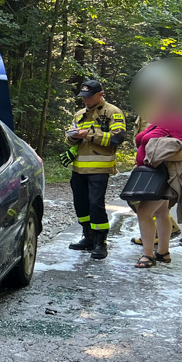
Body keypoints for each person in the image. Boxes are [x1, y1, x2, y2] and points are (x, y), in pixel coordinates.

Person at [64, 79, 126, 259]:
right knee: (80, 204)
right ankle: (87, 237)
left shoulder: (113, 112)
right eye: (84, 97)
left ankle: (101, 242)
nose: (86, 100)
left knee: (95, 204)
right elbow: (68, 139)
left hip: (100, 167)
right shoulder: (79, 114)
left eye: (90, 97)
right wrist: (73, 137)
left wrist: (89, 135)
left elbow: (117, 138)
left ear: (100, 95)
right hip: (79, 168)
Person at [131, 121, 182, 267]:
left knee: (143, 212)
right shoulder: (157, 121)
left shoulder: (178, 122)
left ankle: (148, 255)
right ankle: (163, 253)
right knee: (162, 212)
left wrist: (159, 156)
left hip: (162, 176)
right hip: (151, 174)